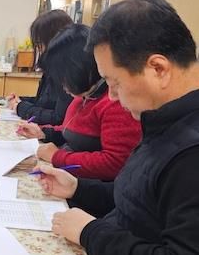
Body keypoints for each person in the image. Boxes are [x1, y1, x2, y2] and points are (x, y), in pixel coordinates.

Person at [0, 0, 199, 255]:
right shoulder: (164, 122)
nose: (110, 96)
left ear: (158, 68)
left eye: (114, 83)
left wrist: (90, 233)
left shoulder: (190, 153)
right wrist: (78, 189)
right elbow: (136, 198)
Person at [16, 24, 141, 181]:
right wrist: (42, 132)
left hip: (89, 186)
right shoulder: (84, 96)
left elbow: (114, 163)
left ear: (79, 69)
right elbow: (73, 131)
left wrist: (57, 156)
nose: (62, 87)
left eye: (63, 79)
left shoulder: (115, 102)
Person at [6, 9, 74, 125]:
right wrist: (21, 100)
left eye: (40, 44)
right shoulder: (51, 67)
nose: (40, 50)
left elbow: (58, 118)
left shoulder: (68, 73)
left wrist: (21, 107)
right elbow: (43, 102)